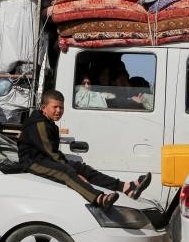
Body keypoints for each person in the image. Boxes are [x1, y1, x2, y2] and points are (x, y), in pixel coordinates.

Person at [19, 89, 152, 207]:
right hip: (32, 163)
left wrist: (78, 170)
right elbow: (51, 154)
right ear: (43, 107)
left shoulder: (50, 123)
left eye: (61, 107)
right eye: (55, 107)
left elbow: (52, 154)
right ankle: (99, 198)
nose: (59, 111)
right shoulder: (39, 123)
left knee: (83, 168)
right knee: (66, 172)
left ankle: (126, 188)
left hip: (44, 159)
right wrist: (74, 173)